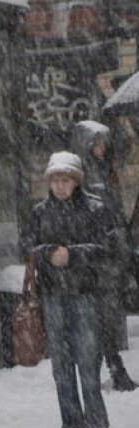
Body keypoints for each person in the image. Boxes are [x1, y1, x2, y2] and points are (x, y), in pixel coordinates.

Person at [23, 152, 112, 428]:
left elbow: (108, 249)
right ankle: (71, 423)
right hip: (52, 294)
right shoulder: (39, 212)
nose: (60, 186)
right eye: (56, 180)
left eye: (66, 180)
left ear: (76, 181)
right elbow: (28, 247)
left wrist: (73, 253)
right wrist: (49, 252)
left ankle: (97, 421)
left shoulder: (96, 209)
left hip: (85, 293)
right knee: (61, 363)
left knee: (88, 360)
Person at [70, 120, 137, 391]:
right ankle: (106, 366)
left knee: (107, 314)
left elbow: (115, 210)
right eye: (97, 142)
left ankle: (111, 364)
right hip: (95, 257)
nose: (102, 148)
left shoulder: (105, 170)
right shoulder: (83, 173)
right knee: (98, 317)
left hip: (110, 254)